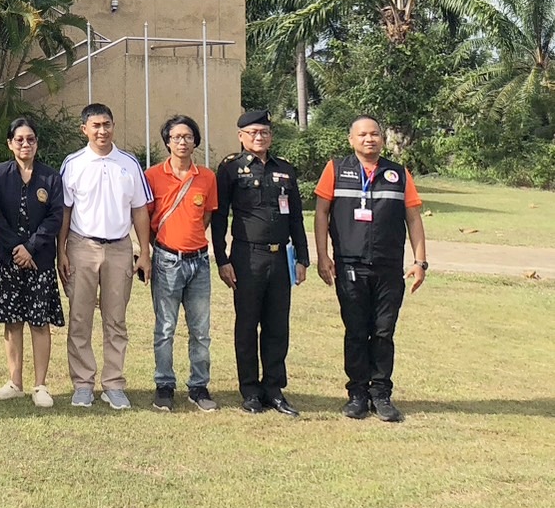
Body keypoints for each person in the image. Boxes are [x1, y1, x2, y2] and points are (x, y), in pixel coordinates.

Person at [314, 114, 428, 422]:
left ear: (382, 138)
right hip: (350, 265)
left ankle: (381, 394)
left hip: (389, 267)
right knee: (355, 331)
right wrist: (323, 256)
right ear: (351, 140)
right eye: (363, 134)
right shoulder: (336, 169)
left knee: (383, 331)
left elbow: (414, 218)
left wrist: (420, 262)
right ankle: (357, 395)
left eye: (375, 134)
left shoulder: (398, 174)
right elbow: (322, 212)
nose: (369, 139)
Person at [211, 109, 309, 416]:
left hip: (280, 257)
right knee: (247, 324)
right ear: (241, 136)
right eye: (252, 132)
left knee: (277, 325)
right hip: (246, 256)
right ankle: (250, 390)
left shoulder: (285, 170)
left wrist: (303, 257)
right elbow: (218, 218)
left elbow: (295, 217)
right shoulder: (230, 169)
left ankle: (274, 389)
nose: (259, 137)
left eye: (264, 132)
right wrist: (222, 259)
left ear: (271, 136)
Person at [59, 102, 152, 410]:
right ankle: (83, 383)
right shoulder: (73, 163)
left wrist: (144, 252)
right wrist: (62, 251)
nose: (102, 130)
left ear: (114, 126)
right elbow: (65, 211)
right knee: (80, 318)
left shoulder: (129, 163)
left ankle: (114, 383)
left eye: (107, 124)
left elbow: (139, 209)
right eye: (95, 125)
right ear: (84, 129)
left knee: (116, 320)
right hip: (82, 247)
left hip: (119, 248)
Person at [0, 116, 65, 408]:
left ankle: (40, 385)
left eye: (30, 139)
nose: (25, 144)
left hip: (39, 261)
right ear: (10, 143)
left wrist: (30, 247)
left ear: (37, 143)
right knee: (13, 320)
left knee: (39, 322)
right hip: (8, 259)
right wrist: (16, 247)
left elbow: (56, 216)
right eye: (19, 139)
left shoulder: (51, 177)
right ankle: (14, 382)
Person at [144, 115, 219, 412]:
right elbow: (145, 218)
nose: (182, 142)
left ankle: (199, 386)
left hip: (199, 261)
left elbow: (207, 216)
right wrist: (160, 250)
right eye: (176, 137)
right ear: (167, 142)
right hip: (166, 260)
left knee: (200, 329)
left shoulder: (207, 177)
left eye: (188, 136)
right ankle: (164, 384)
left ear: (195, 141)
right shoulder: (152, 176)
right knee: (165, 327)